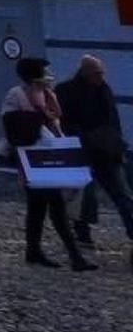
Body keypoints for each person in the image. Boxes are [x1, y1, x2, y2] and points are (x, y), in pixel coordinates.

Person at [0, 56, 94, 271]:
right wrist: (37, 114)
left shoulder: (48, 93)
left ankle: (34, 252)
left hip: (50, 155)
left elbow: (56, 119)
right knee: (55, 206)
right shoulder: (16, 94)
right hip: (32, 158)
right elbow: (13, 125)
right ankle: (75, 257)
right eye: (44, 70)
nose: (48, 73)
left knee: (38, 207)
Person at [56, 54, 133, 253]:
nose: (100, 77)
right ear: (85, 72)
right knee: (84, 196)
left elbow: (113, 120)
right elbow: (63, 122)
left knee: (122, 195)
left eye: (101, 73)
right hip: (81, 150)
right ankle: (82, 234)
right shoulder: (66, 91)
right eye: (96, 73)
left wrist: (116, 145)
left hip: (107, 151)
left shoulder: (103, 89)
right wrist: (82, 139)